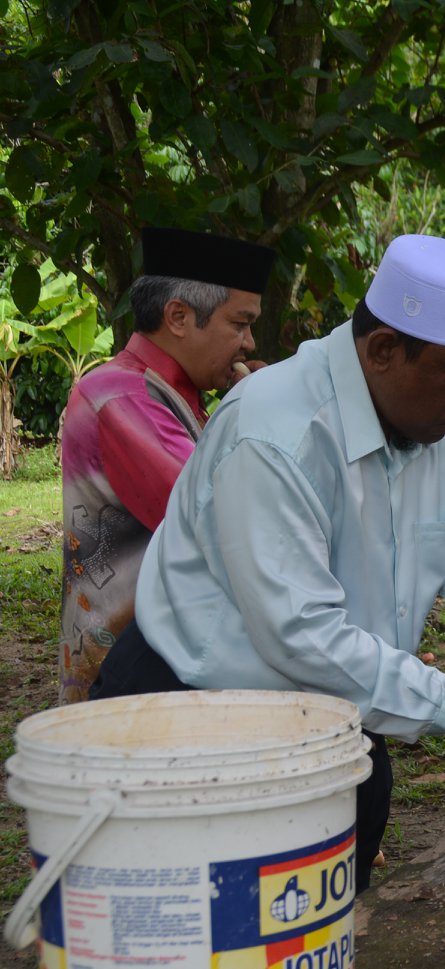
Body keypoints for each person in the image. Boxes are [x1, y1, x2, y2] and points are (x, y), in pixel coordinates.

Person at [90, 234, 445, 892]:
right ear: (382, 351)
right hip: (197, 734)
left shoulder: (422, 425)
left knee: (328, 956)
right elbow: (300, 632)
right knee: (208, 965)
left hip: (338, 724)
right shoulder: (275, 433)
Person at [58, 227, 276, 703]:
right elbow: (219, 522)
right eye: (239, 325)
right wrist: (265, 414)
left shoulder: (172, 393)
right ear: (178, 316)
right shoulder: (120, 396)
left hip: (160, 662)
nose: (248, 342)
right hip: (130, 673)